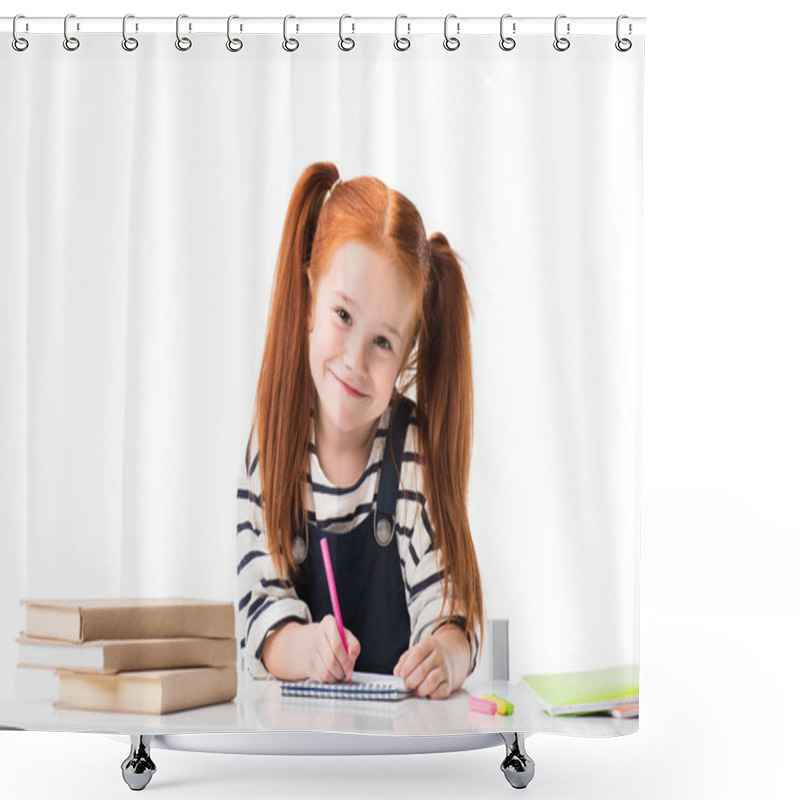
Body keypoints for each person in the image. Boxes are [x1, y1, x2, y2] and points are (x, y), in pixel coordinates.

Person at [236, 162, 483, 699]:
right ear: (309, 298)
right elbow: (260, 616)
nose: (353, 360)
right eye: (343, 316)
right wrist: (307, 647)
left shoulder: (411, 451)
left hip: (399, 746)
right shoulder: (273, 439)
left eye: (383, 342)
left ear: (407, 356)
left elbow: (450, 609)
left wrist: (447, 654)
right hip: (294, 747)